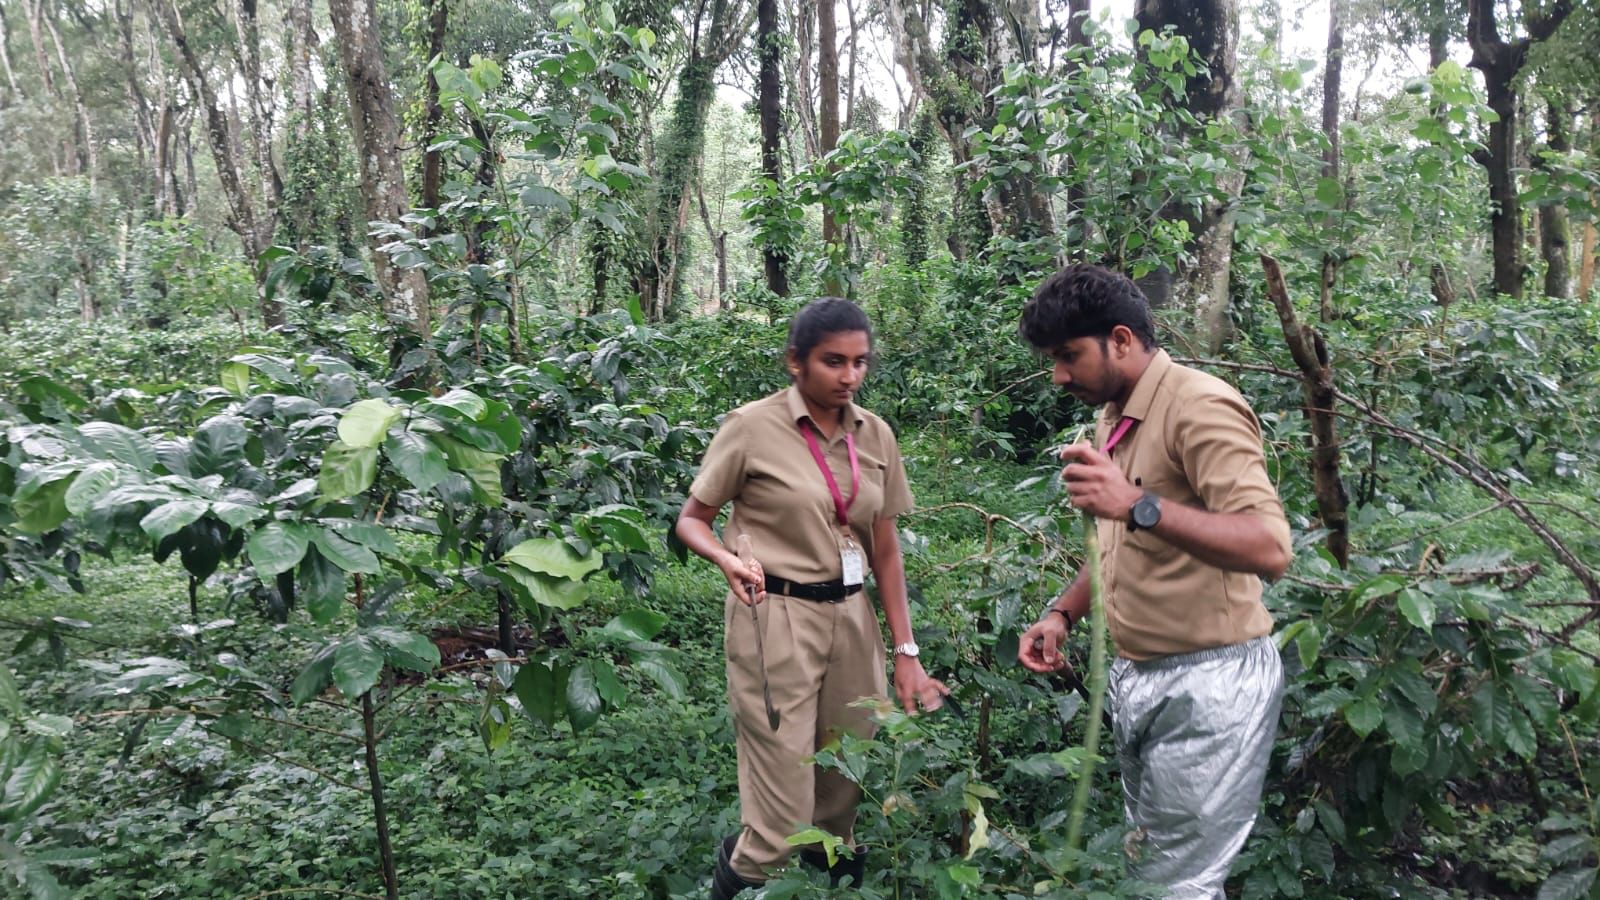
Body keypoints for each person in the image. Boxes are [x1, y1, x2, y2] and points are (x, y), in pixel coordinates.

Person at [1015, 264, 1292, 899]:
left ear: (1120, 339)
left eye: (1067, 356)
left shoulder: (1200, 406)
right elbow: (1120, 541)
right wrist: (1063, 614)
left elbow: (1271, 548)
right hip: (1141, 677)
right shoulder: (1117, 412)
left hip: (1210, 683)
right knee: (1155, 866)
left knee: (1173, 886)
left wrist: (1138, 505)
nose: (1058, 376)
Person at [675, 297, 949, 898]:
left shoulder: (875, 434)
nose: (849, 376)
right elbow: (692, 520)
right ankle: (748, 874)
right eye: (833, 362)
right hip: (775, 615)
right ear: (795, 362)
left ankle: (832, 887)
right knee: (780, 812)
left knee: (842, 791)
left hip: (853, 619)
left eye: (860, 362)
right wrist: (723, 557)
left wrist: (906, 651)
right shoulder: (751, 427)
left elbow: (885, 548)